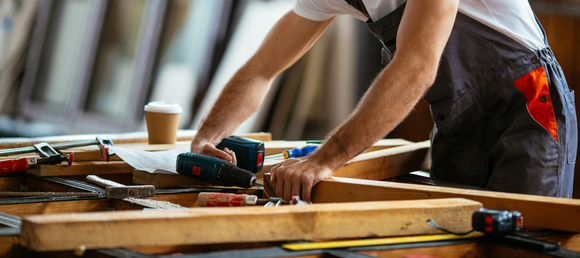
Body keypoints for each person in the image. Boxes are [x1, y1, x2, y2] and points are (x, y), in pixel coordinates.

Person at [191, 0, 577, 201]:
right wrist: (206, 137)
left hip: (531, 108)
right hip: (457, 126)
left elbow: (416, 69)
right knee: (459, 242)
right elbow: (262, 68)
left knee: (521, 241)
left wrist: (324, 160)